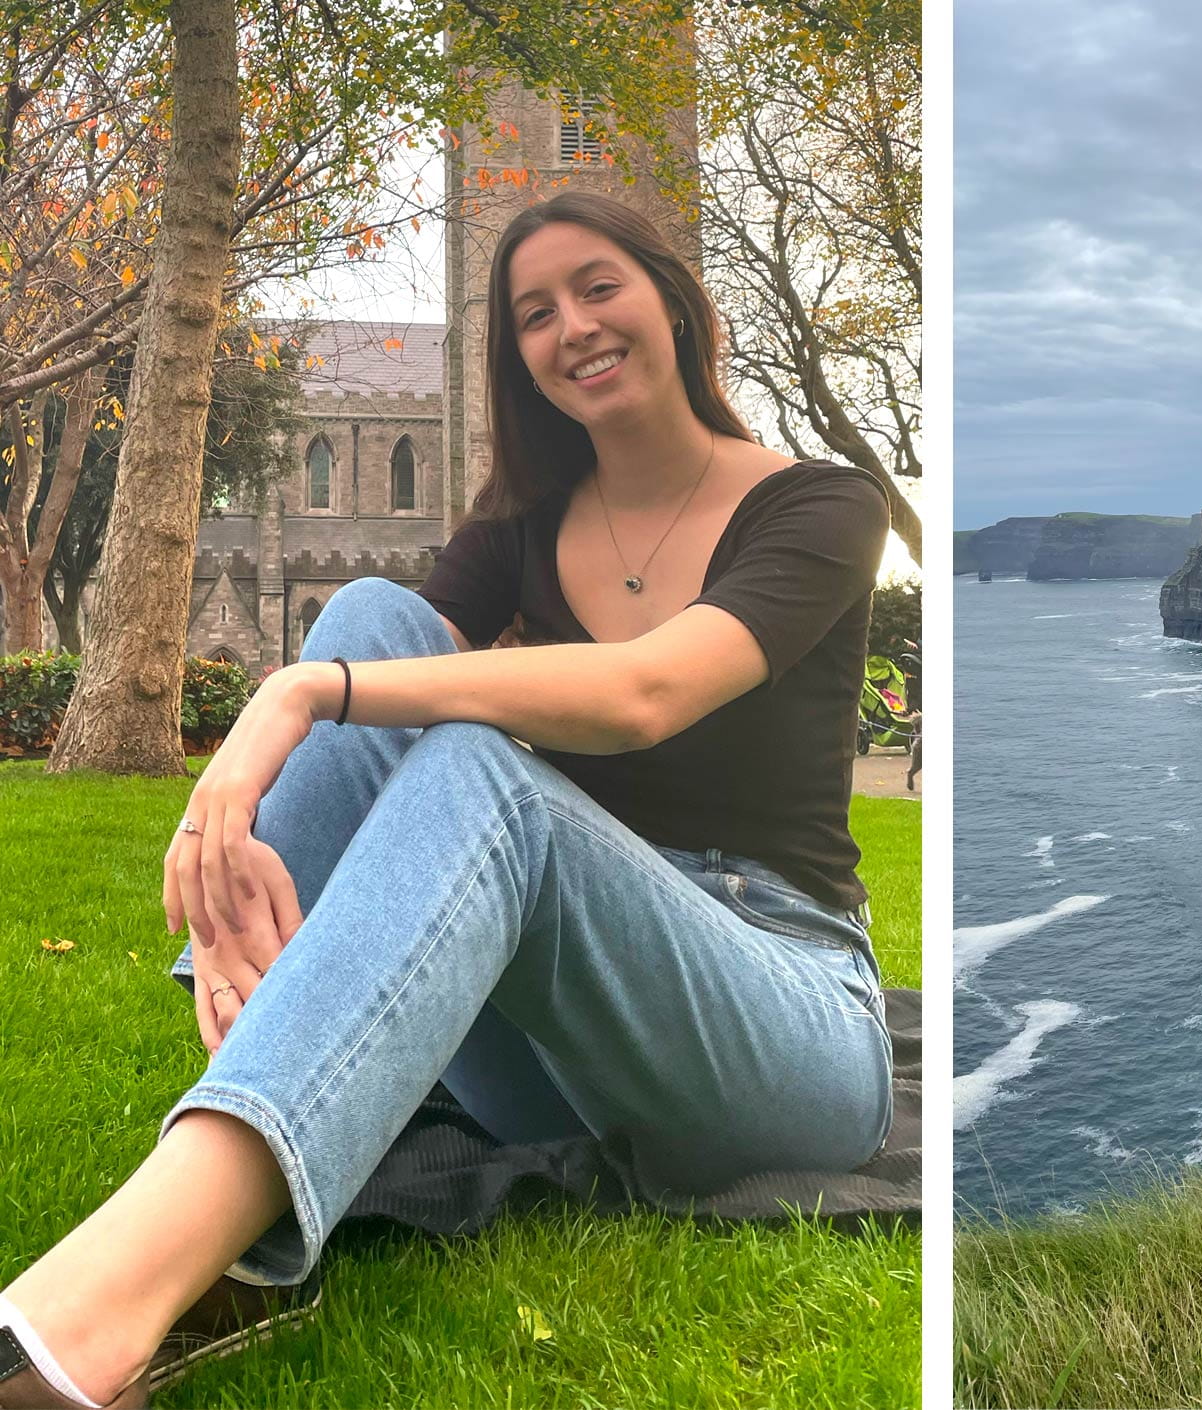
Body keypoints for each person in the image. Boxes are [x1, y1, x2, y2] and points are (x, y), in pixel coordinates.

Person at [0, 192, 895, 1410]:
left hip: (778, 1029)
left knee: (463, 753)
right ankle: (243, 1121)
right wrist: (287, 748)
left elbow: (645, 691)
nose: (570, 325)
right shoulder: (525, 522)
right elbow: (393, 651)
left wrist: (301, 692)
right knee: (375, 610)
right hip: (562, 1063)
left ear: (674, 301)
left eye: (596, 286)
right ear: (512, 358)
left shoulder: (820, 504)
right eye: (532, 313)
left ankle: (89, 1320)